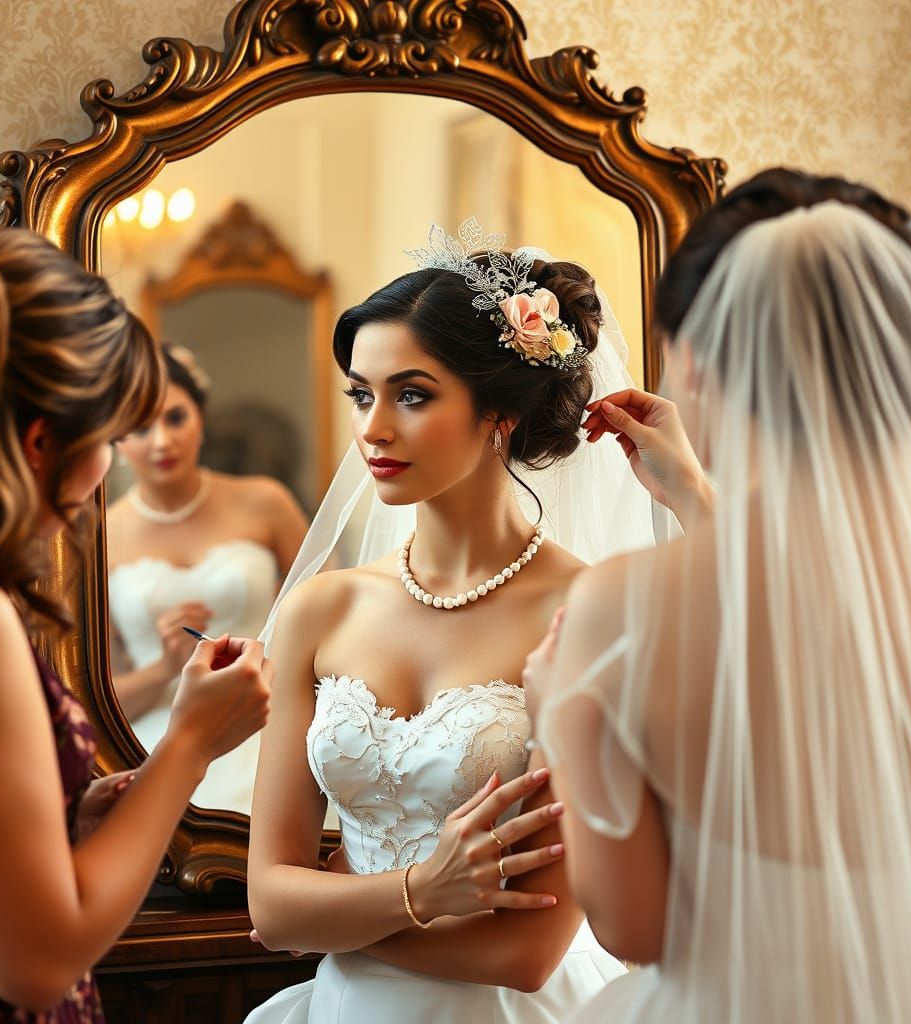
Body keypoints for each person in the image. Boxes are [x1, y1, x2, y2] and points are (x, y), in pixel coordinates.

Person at [526, 169, 911, 1021]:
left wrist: (563, 711)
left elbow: (636, 927)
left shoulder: (624, 612)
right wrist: (699, 500)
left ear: (697, 358)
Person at [246, 221, 661, 1023]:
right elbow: (269, 901)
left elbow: (526, 953)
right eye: (361, 394)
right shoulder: (319, 610)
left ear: (500, 412)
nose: (372, 428)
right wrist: (418, 892)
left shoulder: (591, 614)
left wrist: (334, 916)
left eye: (412, 394)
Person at [0, 227, 271, 1020]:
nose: (113, 466)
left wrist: (70, 819)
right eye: (108, 437)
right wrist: (190, 746)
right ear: (42, 443)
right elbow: (35, 959)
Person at [106, 344, 306, 810]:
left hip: (271, 719)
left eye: (175, 418)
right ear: (115, 439)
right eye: (139, 427)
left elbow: (333, 609)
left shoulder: (265, 501)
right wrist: (162, 669)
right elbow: (98, 696)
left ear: (201, 415)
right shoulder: (99, 537)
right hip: (155, 738)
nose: (161, 442)